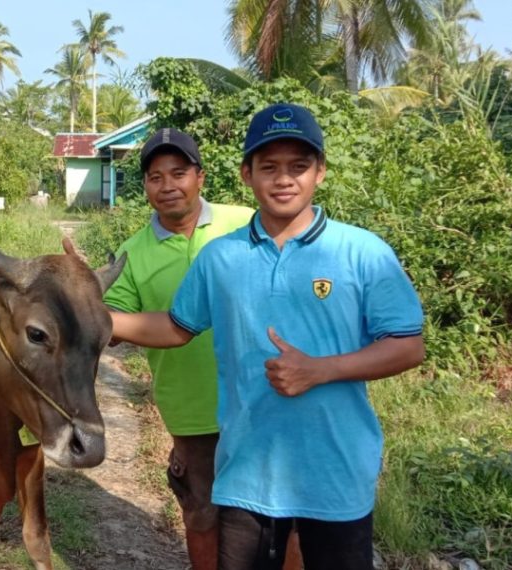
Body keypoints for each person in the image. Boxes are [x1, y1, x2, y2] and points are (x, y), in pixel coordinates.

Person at [109, 103, 426, 570]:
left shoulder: (363, 252)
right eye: (269, 167)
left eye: (298, 166)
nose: (284, 179)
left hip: (335, 472)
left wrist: (320, 370)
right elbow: (177, 327)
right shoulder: (221, 258)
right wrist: (90, 317)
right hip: (247, 472)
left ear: (320, 172)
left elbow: (408, 345)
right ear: (246, 174)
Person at [103, 128, 253, 570]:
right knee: (202, 512)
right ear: (145, 187)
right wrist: (83, 295)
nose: (167, 185)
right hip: (191, 409)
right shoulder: (131, 254)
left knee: (283, 515)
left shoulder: (246, 223)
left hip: (264, 400)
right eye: (155, 176)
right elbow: (113, 329)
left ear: (200, 177)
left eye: (178, 172)